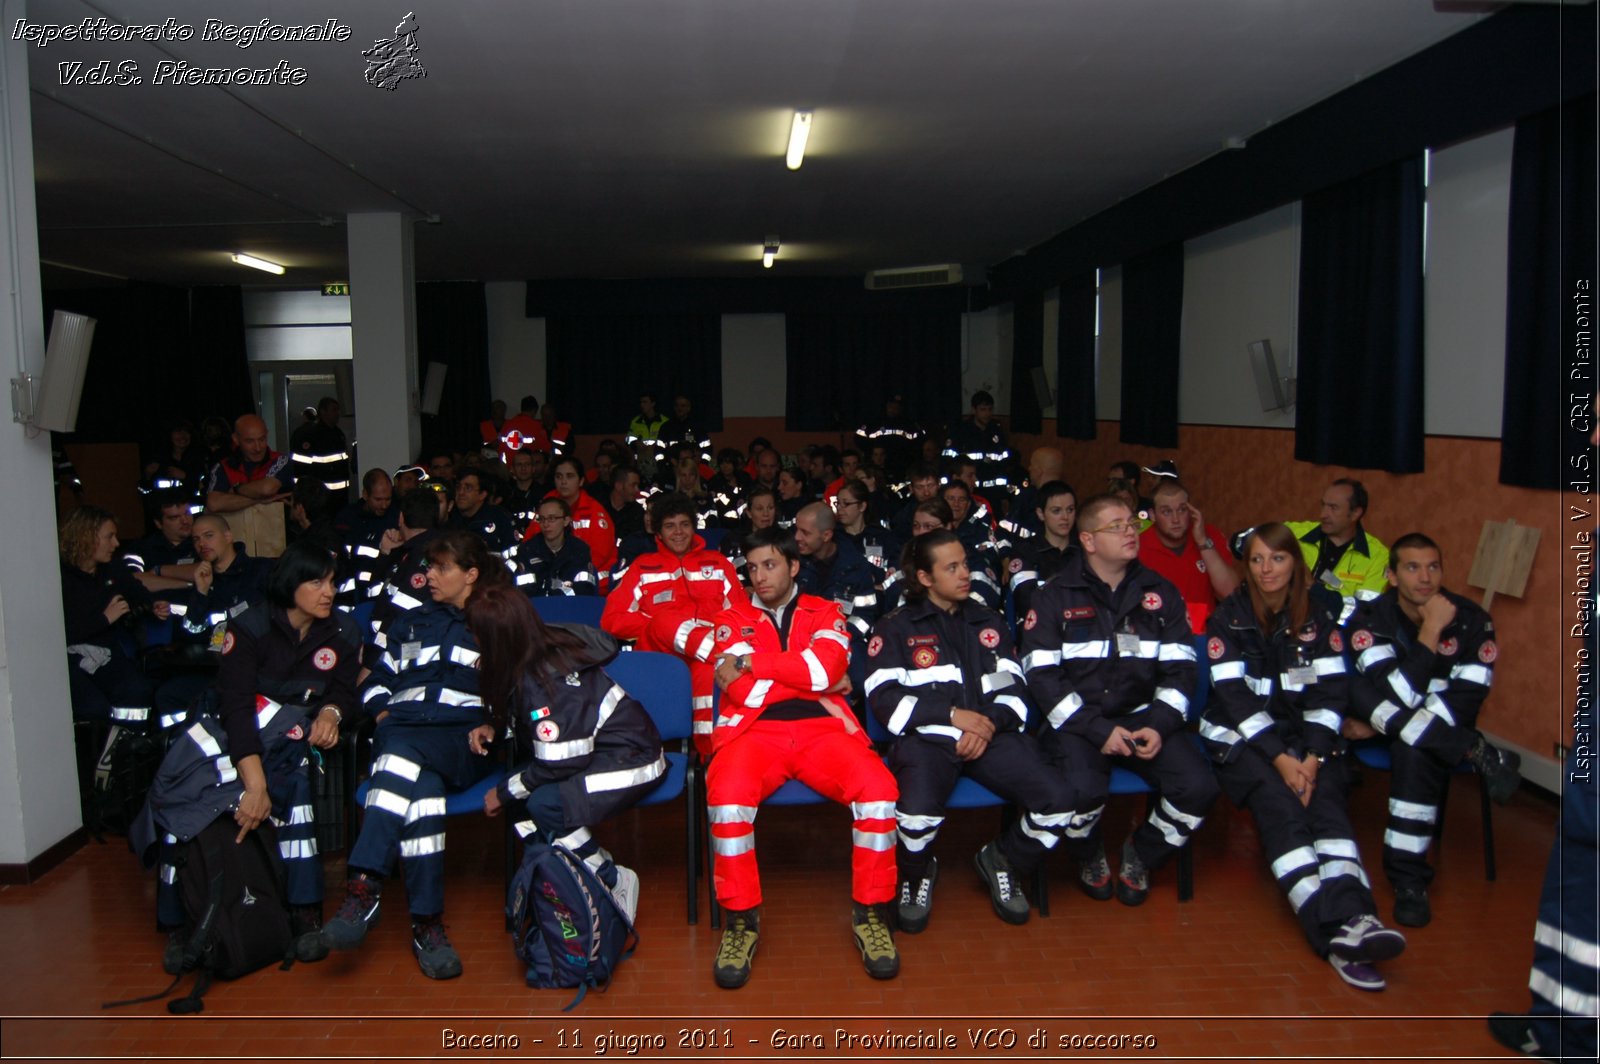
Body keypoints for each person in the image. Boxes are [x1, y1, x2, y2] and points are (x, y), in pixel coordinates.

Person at [686, 528, 900, 986]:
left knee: (880, 794)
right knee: (725, 802)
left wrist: (754, 664)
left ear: (793, 566)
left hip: (823, 728)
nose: (759, 577)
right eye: (753, 567)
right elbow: (743, 690)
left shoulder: (825, 611)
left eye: (770, 565)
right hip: (753, 732)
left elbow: (825, 669)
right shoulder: (730, 619)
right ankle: (741, 920)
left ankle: (870, 912)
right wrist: (807, 675)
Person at [133, 539, 360, 966]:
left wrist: (330, 713)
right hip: (236, 736)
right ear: (290, 586)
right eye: (317, 582)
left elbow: (344, 690)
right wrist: (253, 786)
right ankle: (180, 924)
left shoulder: (344, 631)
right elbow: (236, 710)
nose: (329, 591)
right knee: (183, 799)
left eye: (331, 581)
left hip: (293, 740)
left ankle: (302, 913)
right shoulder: (249, 628)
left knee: (295, 794)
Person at [1201, 523, 1406, 991]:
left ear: (1296, 563)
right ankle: (1335, 931)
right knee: (1284, 814)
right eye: (1257, 560)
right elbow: (1235, 700)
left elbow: (1331, 694)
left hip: (1305, 743)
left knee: (1329, 809)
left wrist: (1312, 757)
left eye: (1277, 558)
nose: (1267, 569)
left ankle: (1358, 918)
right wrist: (1280, 759)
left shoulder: (1317, 618)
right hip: (1244, 742)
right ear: (1246, 567)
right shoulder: (1228, 618)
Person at [866, 530, 1079, 931]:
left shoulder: (989, 621)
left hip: (991, 737)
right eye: (952, 567)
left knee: (1061, 800)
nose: (965, 573)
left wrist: (987, 724)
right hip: (928, 741)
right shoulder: (895, 626)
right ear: (926, 578)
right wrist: (951, 715)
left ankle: (1003, 859)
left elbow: (1013, 685)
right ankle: (915, 873)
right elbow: (883, 697)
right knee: (914, 818)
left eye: (964, 562)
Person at [321, 532, 511, 979]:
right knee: (421, 793)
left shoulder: (494, 623)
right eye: (428, 567)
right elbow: (374, 679)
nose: (429, 576)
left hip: (462, 740)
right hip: (403, 730)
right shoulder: (408, 624)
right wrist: (382, 711)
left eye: (442, 568)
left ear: (471, 575)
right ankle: (427, 925)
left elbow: (515, 688)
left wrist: (495, 723)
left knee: (401, 758)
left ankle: (364, 887)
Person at [1017, 493, 1218, 906]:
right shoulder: (1055, 595)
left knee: (1199, 788)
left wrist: (1159, 724)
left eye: (1133, 523)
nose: (1130, 531)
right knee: (1080, 792)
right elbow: (1042, 677)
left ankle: (1141, 852)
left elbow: (1181, 670)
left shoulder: (1161, 593)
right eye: (1117, 526)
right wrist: (1096, 729)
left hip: (1144, 717)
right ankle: (1087, 850)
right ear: (1088, 541)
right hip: (1079, 722)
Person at [1344, 532, 1520, 928]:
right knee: (1354, 689)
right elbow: (1391, 692)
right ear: (1391, 576)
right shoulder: (1370, 619)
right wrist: (1429, 633)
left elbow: (1468, 697)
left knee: (1412, 748)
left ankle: (1409, 883)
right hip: (1421, 723)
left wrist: (1383, 728)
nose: (1425, 578)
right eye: (1412, 567)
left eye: (1433, 566)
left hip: (1424, 727)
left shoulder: (1473, 620)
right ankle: (1471, 750)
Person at [471, 585, 665, 921]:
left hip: (634, 759)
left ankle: (612, 878)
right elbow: (534, 724)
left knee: (543, 804)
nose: (473, 642)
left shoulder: (547, 677)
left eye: (477, 635)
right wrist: (495, 727)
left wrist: (504, 791)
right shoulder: (530, 650)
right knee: (525, 806)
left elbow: (561, 760)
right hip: (593, 754)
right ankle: (560, 877)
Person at [601, 493, 747, 753]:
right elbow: (612, 621)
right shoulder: (643, 568)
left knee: (705, 673)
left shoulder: (718, 563)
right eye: (670, 526)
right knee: (664, 620)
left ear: (694, 526)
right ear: (658, 532)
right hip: (662, 654)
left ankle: (710, 755)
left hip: (705, 658)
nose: (678, 532)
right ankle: (724, 655)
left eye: (684, 524)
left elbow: (741, 614)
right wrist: (656, 626)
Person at [59, 506, 166, 728]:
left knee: (138, 692)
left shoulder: (111, 568)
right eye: (109, 537)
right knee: (93, 709)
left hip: (108, 652)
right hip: (70, 659)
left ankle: (129, 749)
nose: (116, 543)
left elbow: (135, 590)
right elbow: (61, 632)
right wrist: (105, 618)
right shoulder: (60, 576)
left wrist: (153, 604)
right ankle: (97, 757)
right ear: (86, 537)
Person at [1138, 479, 1238, 633]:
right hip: (1158, 636)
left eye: (1182, 509)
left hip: (1205, 634)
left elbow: (1231, 593)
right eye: (1166, 511)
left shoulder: (1209, 535)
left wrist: (1202, 542)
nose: (1176, 519)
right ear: (1152, 515)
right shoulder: (1138, 546)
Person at [1283, 479, 1389, 623]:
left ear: (1355, 513)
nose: (1323, 514)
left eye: (1333, 508)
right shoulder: (1295, 533)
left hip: (1337, 634)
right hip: (1285, 623)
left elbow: (1365, 613)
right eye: (1323, 505)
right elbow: (1243, 541)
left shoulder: (1377, 556)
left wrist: (1312, 586)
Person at [794, 501, 885, 642]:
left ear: (826, 535)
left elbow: (865, 615)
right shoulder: (792, 563)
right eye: (797, 530)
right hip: (799, 641)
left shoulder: (856, 567)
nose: (797, 537)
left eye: (805, 533)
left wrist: (840, 636)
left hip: (846, 642)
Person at [538, 456, 618, 585]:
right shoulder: (546, 505)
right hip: (553, 577)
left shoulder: (595, 512)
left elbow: (599, 555)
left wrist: (564, 572)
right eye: (559, 476)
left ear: (581, 481)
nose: (563, 481)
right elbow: (531, 543)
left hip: (593, 581)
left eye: (569, 476)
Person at [1006, 480, 1079, 619]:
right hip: (1039, 631)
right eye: (1056, 511)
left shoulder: (1085, 550)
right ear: (1040, 513)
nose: (1065, 517)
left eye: (1070, 509)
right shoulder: (1025, 551)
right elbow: (1026, 601)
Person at [504, 496, 598, 597]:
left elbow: (585, 590)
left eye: (552, 518)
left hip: (570, 608)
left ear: (566, 520)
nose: (546, 524)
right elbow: (523, 592)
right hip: (536, 609)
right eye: (542, 519)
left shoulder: (580, 549)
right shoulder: (527, 550)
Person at [205, 414, 292, 514]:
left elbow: (267, 490)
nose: (258, 448)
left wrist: (235, 490)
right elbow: (214, 504)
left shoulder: (280, 461)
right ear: (236, 439)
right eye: (250, 441)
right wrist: (259, 500)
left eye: (262, 439)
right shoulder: (223, 467)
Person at [121, 490, 202, 595]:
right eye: (174, 517)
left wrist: (158, 572)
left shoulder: (203, 542)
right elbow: (133, 581)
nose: (185, 521)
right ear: (158, 523)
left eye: (187, 514)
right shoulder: (141, 548)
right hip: (155, 608)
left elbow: (208, 572)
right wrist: (188, 584)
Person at [943, 390, 1013, 496]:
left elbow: (1004, 463)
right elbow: (948, 463)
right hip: (968, 489)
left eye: (990, 409)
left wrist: (1004, 494)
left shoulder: (996, 431)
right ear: (974, 410)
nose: (987, 414)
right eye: (983, 410)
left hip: (993, 491)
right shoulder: (960, 432)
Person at [289, 396, 352, 507]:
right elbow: (301, 467)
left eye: (338, 410)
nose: (337, 413)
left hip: (340, 496)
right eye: (334, 410)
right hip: (320, 497)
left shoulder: (338, 434)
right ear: (323, 411)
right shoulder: (310, 434)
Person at [720, 484, 779, 587]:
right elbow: (723, 574)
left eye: (770, 508)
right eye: (759, 509)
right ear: (749, 513)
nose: (766, 513)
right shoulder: (733, 540)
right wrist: (743, 588)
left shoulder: (784, 538)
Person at [449, 469, 517, 553]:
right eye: (458, 487)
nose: (461, 492)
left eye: (468, 488)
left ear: (482, 494)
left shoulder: (499, 518)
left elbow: (513, 551)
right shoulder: (450, 517)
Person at [332, 469, 398, 550]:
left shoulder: (397, 517)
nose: (384, 506)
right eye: (378, 499)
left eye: (388, 499)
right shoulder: (347, 517)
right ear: (365, 495)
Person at [626, 392, 670, 475]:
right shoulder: (636, 422)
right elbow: (628, 440)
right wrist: (635, 443)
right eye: (641, 402)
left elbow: (668, 443)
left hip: (660, 463)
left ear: (653, 404)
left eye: (645, 402)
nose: (642, 405)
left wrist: (655, 447)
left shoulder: (664, 421)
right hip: (640, 463)